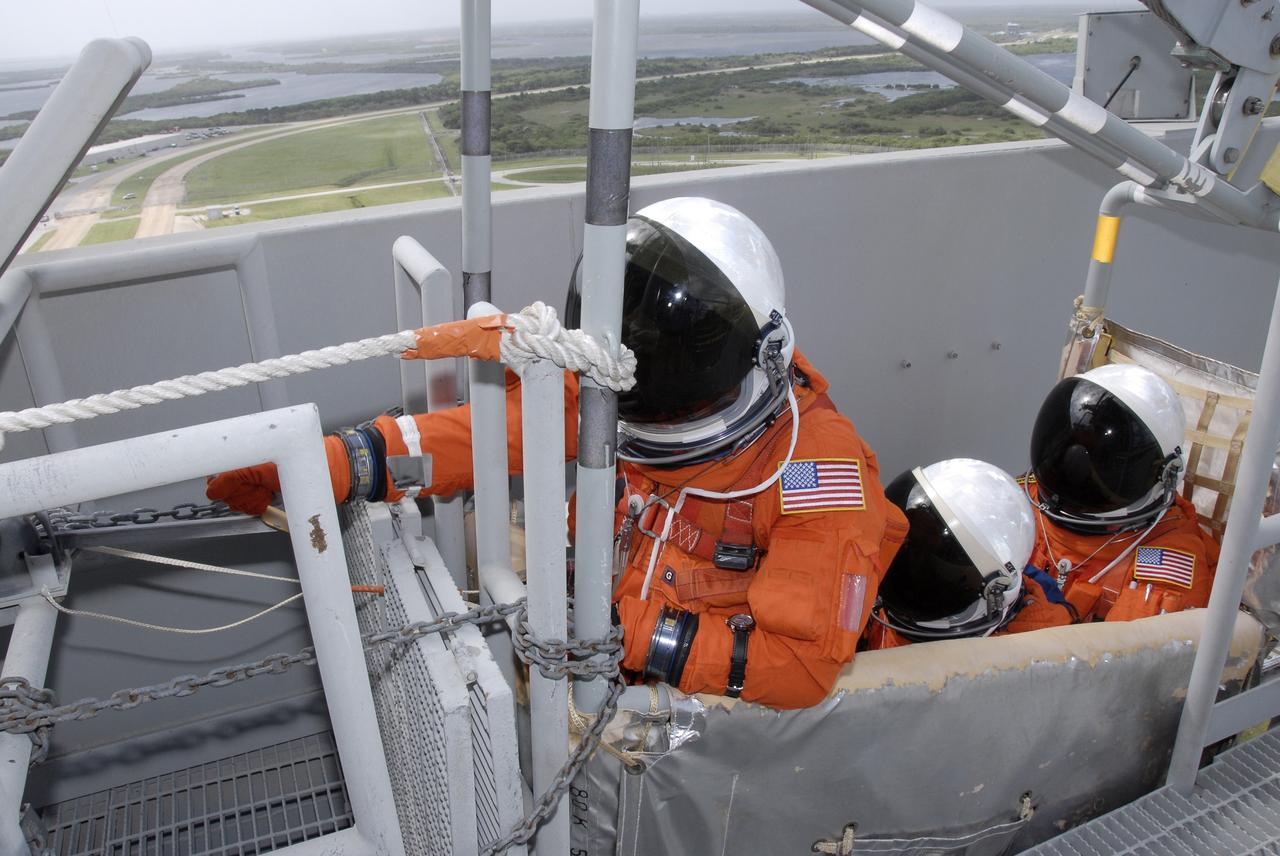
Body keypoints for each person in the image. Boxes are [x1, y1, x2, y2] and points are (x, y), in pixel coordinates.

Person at [208, 197, 908, 709]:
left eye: (668, 375)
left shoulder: (817, 471)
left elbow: (800, 665)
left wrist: (620, 631)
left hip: (692, 710)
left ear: (763, 354)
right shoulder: (626, 390)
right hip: (601, 634)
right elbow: (485, 436)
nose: (651, 403)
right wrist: (340, 463)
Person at [1024, 364, 1219, 623]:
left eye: (1101, 459)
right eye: (1073, 444)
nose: (1075, 465)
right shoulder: (1022, 507)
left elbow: (1126, 659)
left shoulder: (1164, 567)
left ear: (1164, 474)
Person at [864, 458, 1074, 650]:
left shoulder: (1039, 652)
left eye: (935, 543)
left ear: (994, 591)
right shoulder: (897, 584)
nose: (911, 550)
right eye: (912, 541)